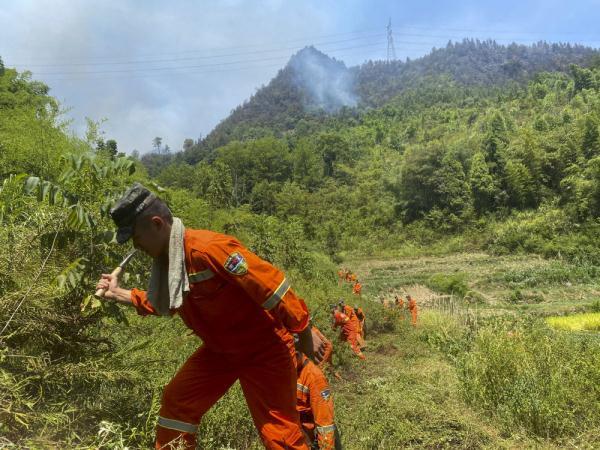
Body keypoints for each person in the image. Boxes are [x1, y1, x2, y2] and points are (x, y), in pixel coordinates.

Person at [95, 183, 325, 450]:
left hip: (265, 351)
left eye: (136, 237)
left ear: (157, 224)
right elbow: (165, 302)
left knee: (280, 435)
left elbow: (274, 288)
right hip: (219, 353)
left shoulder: (208, 249)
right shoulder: (170, 263)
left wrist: (305, 333)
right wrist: (116, 293)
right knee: (176, 403)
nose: (136, 245)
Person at [295, 344, 340, 449]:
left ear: (296, 354)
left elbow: (325, 424)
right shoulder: (287, 372)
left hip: (308, 439)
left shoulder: (314, 377)